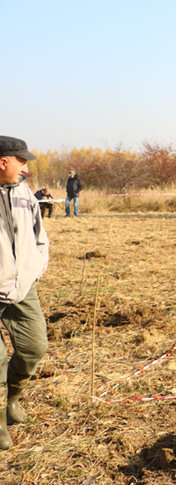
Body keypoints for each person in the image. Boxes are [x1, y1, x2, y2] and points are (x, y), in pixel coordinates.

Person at [0, 136, 50, 450]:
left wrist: (35, 268)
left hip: (21, 287)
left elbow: (38, 234)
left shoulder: (24, 193)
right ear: (3, 161)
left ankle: (11, 400)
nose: (26, 167)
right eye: (22, 161)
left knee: (34, 347)